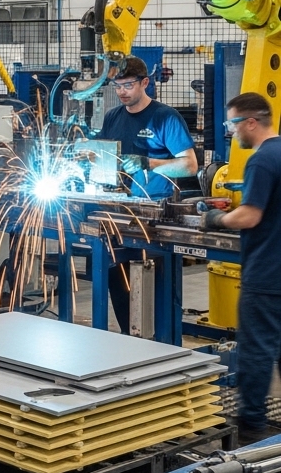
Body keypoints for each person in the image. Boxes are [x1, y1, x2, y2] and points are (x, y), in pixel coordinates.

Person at [201, 92, 281, 443]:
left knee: (256, 352)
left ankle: (252, 430)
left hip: (266, 273)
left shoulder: (261, 160)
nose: (231, 131)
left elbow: (249, 216)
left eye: (232, 124)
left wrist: (216, 218)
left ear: (250, 122)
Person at [97, 56, 197, 334]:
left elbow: (189, 165)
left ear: (145, 83)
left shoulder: (166, 117)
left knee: (155, 289)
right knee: (118, 281)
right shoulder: (112, 117)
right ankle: (129, 337)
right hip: (118, 213)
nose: (122, 92)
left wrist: (149, 163)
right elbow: (104, 157)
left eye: (128, 85)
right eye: (117, 86)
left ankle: (160, 340)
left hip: (154, 216)